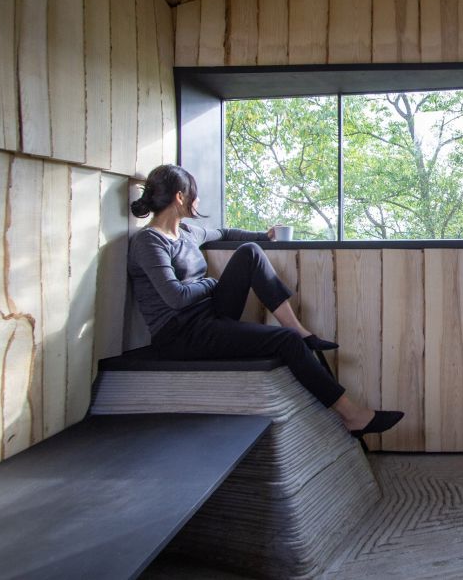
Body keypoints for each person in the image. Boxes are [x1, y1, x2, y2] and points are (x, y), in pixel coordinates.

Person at [127, 164, 403, 438]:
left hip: (207, 315)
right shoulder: (150, 241)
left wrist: (264, 236)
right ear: (180, 197)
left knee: (250, 251)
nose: (197, 200)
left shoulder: (187, 232)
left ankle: (298, 329)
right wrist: (212, 283)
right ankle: (352, 415)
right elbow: (176, 297)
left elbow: (224, 233)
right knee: (286, 342)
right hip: (180, 334)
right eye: (194, 194)